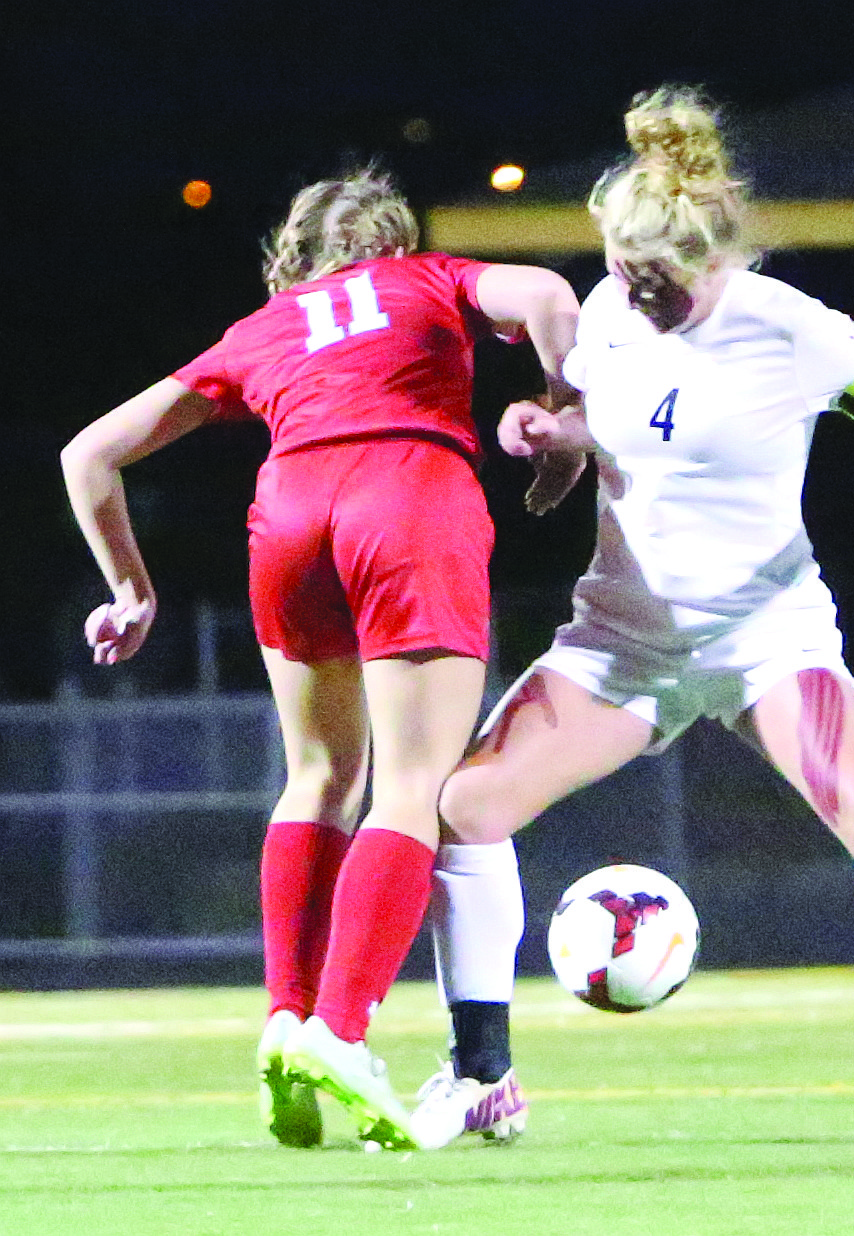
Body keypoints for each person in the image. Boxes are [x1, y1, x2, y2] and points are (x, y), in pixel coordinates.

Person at [408, 87, 854, 1150]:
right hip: (623, 643)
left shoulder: (793, 331)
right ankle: (482, 1074)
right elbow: (600, 428)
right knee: (464, 811)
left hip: (764, 638)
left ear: (715, 261)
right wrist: (549, 432)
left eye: (658, 279)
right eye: (622, 273)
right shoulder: (608, 314)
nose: (636, 295)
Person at [60, 167, 580, 1151]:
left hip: (291, 513)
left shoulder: (263, 331)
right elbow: (552, 297)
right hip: (407, 490)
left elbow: (88, 456)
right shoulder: (427, 278)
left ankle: (288, 1022)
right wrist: (564, 417)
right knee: (413, 782)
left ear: (291, 258)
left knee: (318, 775)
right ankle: (341, 1033)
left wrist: (133, 590)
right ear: (388, 239)